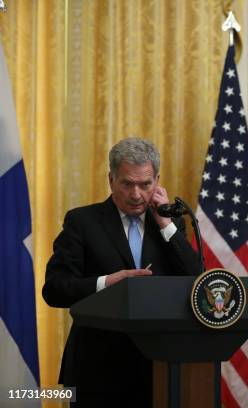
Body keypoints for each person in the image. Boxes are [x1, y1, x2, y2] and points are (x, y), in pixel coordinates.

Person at [42, 137, 200, 407]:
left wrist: (165, 224)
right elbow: (55, 289)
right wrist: (108, 282)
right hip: (97, 368)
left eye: (145, 184)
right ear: (111, 180)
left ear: (157, 181)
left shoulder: (169, 225)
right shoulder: (82, 221)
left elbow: (196, 277)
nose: (136, 194)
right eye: (127, 184)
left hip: (158, 366)